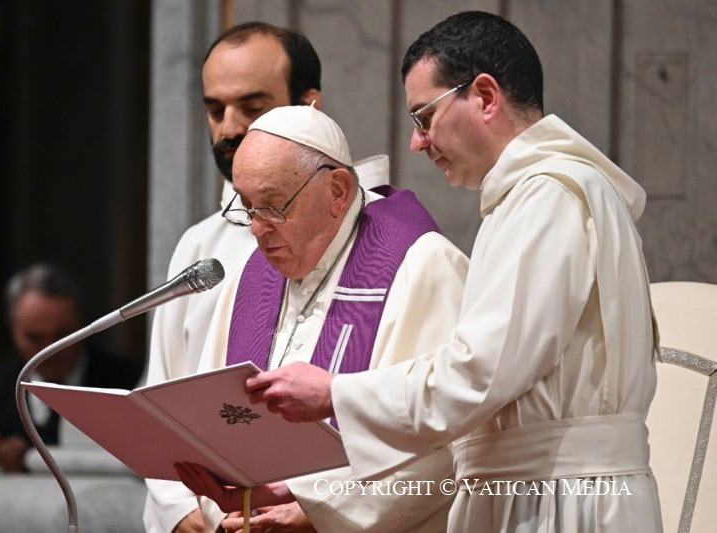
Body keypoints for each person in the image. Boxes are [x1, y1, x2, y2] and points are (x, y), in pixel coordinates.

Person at [181, 11, 664, 532]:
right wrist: (313, 497)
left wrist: (335, 395)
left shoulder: (546, 196)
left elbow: (478, 376)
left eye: (424, 116)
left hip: (562, 502)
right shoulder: (537, 196)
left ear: (485, 96)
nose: (417, 142)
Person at [143, 22, 389, 533]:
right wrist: (182, 512)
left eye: (252, 108)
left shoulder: (378, 244)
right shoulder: (199, 247)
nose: (229, 128)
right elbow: (163, 393)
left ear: (308, 107)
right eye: (216, 110)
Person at [178, 103, 467, 532]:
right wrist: (231, 506)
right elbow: (213, 417)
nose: (257, 228)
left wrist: (321, 512)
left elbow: (449, 439)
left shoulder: (422, 265)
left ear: (337, 190)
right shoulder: (249, 277)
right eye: (248, 206)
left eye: (273, 205)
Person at [0, 263, 143, 499]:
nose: (50, 350)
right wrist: (1, 469)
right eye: (35, 338)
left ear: (82, 326)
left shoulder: (129, 382)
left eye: (62, 336)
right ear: (12, 330)